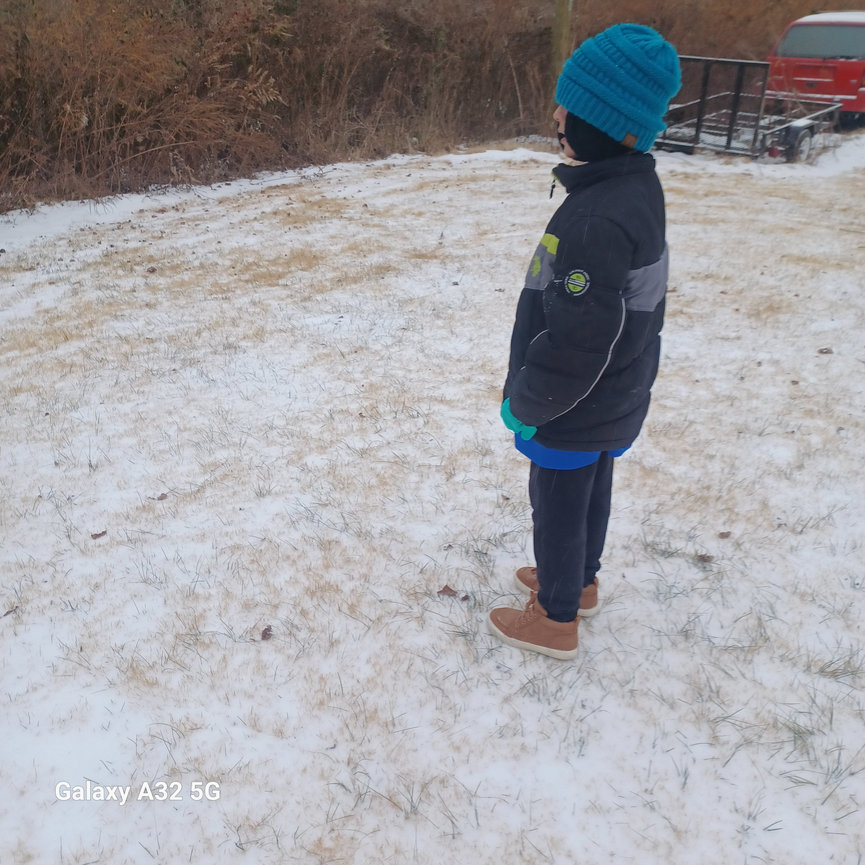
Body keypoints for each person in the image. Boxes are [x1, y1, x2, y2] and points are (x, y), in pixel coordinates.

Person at [488, 24, 682, 660]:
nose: (557, 117)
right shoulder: (631, 189)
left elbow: (579, 343)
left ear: (604, 122)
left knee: (558, 501)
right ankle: (580, 581)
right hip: (612, 398)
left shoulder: (598, 218)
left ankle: (555, 616)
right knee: (591, 489)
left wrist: (528, 402)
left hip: (573, 405)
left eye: (568, 109)